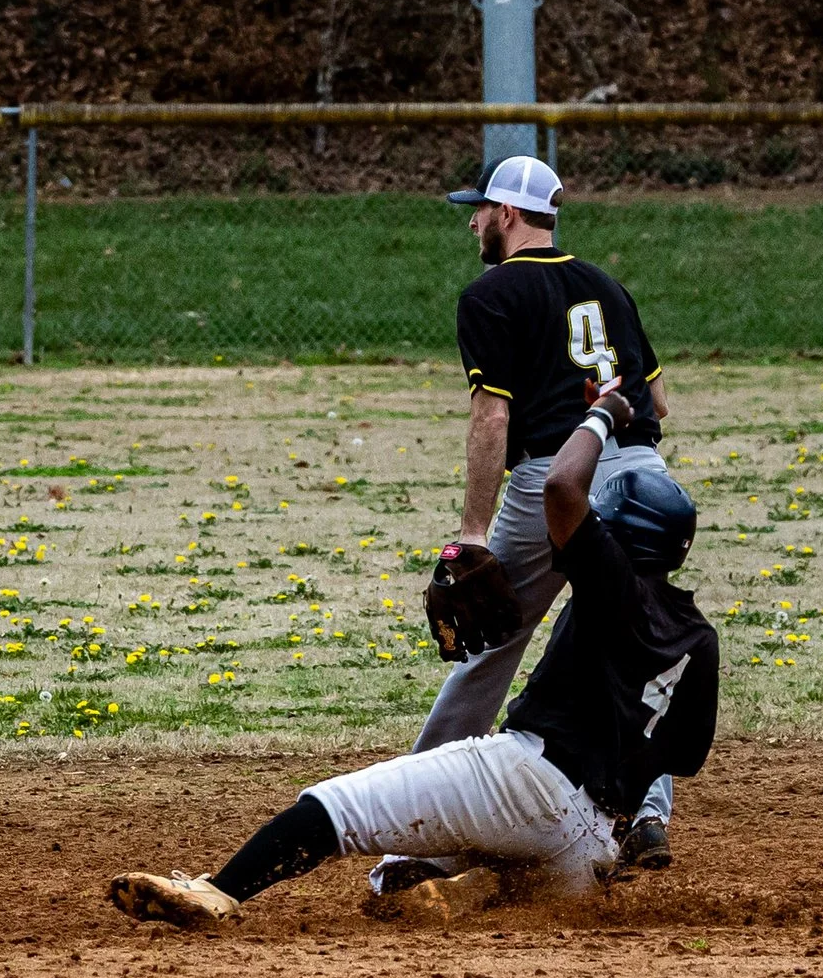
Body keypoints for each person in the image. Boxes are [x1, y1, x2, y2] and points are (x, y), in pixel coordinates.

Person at [107, 382, 717, 928]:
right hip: (590, 844)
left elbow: (560, 486)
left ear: (620, 535)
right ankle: (481, 887)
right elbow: (683, 755)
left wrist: (604, 414)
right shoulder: (697, 637)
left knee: (339, 807)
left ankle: (219, 892)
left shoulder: (613, 580)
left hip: (526, 779)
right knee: (499, 879)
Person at [408, 154, 681, 877]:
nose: (472, 221)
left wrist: (471, 534)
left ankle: (416, 813)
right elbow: (657, 405)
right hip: (641, 478)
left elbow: (492, 418)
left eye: (480, 208)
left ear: (507, 215)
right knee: (635, 640)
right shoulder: (606, 286)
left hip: (551, 479)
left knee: (490, 644)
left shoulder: (490, 294)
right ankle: (648, 813)